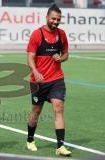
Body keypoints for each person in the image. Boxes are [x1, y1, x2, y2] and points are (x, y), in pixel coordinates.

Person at [26, 4, 71, 156]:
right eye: (53, 18)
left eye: (58, 19)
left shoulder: (62, 34)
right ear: (46, 17)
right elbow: (30, 58)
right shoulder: (36, 35)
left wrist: (61, 58)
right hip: (38, 81)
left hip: (56, 79)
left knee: (58, 108)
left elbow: (65, 54)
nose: (55, 21)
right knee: (36, 111)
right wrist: (36, 72)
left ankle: (60, 146)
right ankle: (30, 139)